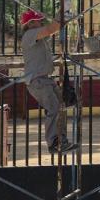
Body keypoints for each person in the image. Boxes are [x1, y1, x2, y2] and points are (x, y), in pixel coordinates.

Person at [20, 9, 77, 153]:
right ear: (31, 23)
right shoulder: (30, 34)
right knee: (54, 108)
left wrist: (61, 19)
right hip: (37, 80)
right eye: (39, 21)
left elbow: (52, 31)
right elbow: (52, 29)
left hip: (44, 79)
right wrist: (61, 17)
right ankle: (54, 143)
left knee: (61, 106)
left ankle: (61, 140)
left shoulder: (38, 38)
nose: (41, 22)